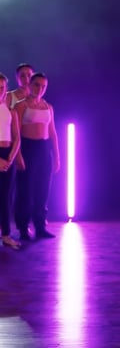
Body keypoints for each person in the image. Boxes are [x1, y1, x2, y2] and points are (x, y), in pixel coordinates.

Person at [13, 72, 60, 240]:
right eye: (37, 85)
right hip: (27, 147)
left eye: (43, 86)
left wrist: (57, 156)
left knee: (43, 189)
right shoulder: (21, 105)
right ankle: (23, 227)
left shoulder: (48, 107)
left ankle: (40, 226)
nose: (40, 88)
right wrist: (18, 155)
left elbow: (53, 133)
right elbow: (16, 133)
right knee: (25, 190)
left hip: (44, 148)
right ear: (30, 85)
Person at [0, 73, 21, 249]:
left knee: (6, 197)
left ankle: (6, 234)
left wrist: (10, 158)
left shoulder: (11, 111)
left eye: (2, 88)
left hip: (8, 155)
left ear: (6, 89)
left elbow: (17, 138)